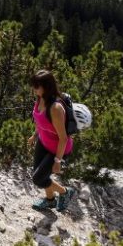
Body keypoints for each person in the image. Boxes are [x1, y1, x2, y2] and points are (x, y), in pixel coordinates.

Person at [28, 69, 77, 211]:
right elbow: (40, 121)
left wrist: (57, 161)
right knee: (40, 175)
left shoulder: (55, 108)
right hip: (43, 142)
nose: (33, 88)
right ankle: (50, 201)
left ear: (46, 87)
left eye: (36, 86)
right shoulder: (40, 99)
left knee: (38, 179)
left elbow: (63, 138)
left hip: (58, 149)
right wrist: (35, 135)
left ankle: (65, 192)